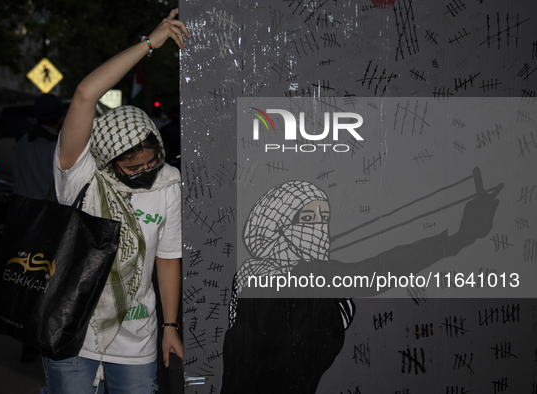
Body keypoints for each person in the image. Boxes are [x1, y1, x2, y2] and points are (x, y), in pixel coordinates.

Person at [222, 178, 501, 394]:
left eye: (323, 219)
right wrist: (455, 240)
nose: (318, 228)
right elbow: (371, 273)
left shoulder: (254, 277)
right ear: (277, 226)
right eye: (307, 218)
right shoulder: (284, 277)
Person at [42, 9, 190, 394]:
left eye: (151, 160)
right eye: (131, 166)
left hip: (137, 335)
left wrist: (170, 327)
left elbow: (168, 257)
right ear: (108, 159)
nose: (145, 172)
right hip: (71, 330)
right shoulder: (80, 173)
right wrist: (149, 44)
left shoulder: (169, 182)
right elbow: (86, 94)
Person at [11, 93, 64, 363]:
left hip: (21, 219)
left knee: (24, 280)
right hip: (47, 219)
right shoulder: (55, 145)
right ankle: (40, 336)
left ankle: (26, 339)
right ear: (59, 117)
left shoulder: (21, 141)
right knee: (45, 283)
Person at [11, 93, 64, 202]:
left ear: (36, 118)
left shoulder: (20, 143)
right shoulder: (59, 147)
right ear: (60, 118)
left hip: (20, 210)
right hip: (48, 213)